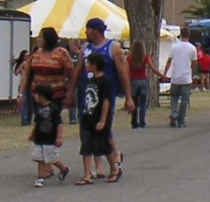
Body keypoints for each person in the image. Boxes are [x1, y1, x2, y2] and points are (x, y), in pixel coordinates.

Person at [66, 18, 134, 175]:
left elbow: (123, 73)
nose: (85, 32)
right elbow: (78, 71)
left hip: (105, 96)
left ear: (95, 31)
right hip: (87, 95)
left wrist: (129, 97)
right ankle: (99, 166)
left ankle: (114, 156)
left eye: (88, 29)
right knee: (89, 129)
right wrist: (70, 92)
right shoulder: (85, 48)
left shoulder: (113, 48)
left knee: (103, 128)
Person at [75, 52, 120, 184]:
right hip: (87, 117)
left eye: (88, 63)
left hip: (99, 118)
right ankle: (87, 175)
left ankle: (114, 169)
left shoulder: (105, 81)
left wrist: (103, 120)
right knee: (86, 145)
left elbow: (106, 101)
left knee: (103, 145)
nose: (86, 65)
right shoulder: (89, 80)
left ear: (94, 65)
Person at [19, 27, 73, 120]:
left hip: (56, 95)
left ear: (48, 38)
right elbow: (26, 74)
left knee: (51, 120)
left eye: (41, 37)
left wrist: (70, 92)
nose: (38, 39)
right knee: (40, 121)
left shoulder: (61, 53)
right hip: (37, 95)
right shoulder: (35, 53)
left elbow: (71, 74)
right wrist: (21, 93)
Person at [28, 83, 69, 187]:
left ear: (42, 96)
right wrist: (33, 134)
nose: (35, 96)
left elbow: (59, 124)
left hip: (50, 139)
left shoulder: (53, 109)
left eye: (36, 94)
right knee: (40, 158)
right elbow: (37, 123)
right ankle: (41, 177)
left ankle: (64, 169)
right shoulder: (38, 109)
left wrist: (59, 137)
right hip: (39, 139)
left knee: (52, 158)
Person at [163, 26, 198, 127]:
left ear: (180, 34)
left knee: (174, 97)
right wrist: (193, 74)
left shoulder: (174, 47)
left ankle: (174, 113)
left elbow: (169, 61)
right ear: (189, 35)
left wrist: (165, 73)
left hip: (175, 77)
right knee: (184, 100)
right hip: (186, 78)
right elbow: (194, 63)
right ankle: (181, 120)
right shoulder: (192, 48)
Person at [127, 40, 163, 129]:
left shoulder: (129, 58)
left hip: (133, 80)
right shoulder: (145, 57)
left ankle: (134, 121)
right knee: (143, 103)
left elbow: (127, 70)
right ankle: (142, 122)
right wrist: (161, 75)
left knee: (134, 101)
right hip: (143, 80)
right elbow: (153, 68)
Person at [14, 49, 31, 125]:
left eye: (28, 55)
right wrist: (21, 66)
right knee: (23, 102)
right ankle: (24, 118)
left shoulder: (30, 63)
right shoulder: (22, 64)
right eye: (25, 56)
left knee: (29, 103)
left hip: (30, 85)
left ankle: (28, 118)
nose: (27, 57)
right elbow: (16, 73)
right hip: (22, 85)